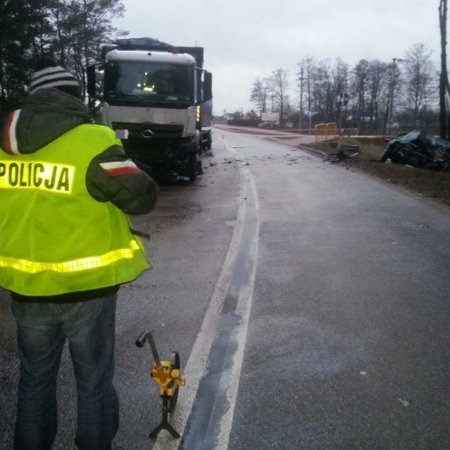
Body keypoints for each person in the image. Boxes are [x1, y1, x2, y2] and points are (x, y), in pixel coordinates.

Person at [0, 59, 159, 450]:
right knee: (92, 383)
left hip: (26, 288)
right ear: (74, 97)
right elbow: (140, 198)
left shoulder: (4, 144)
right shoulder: (92, 140)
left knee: (34, 381)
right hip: (87, 288)